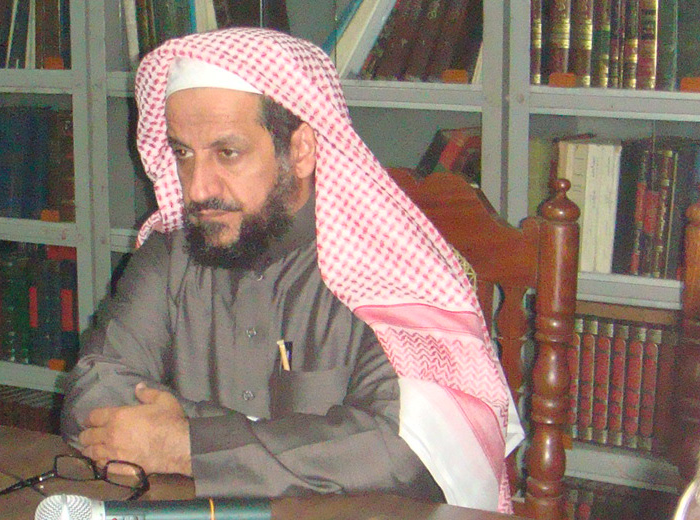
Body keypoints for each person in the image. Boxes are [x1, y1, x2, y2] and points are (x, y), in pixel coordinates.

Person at [60, 28, 523, 513]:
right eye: (183, 153)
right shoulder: (171, 253)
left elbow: (403, 451)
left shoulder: (387, 272)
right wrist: (289, 447)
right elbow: (92, 392)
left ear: (301, 150)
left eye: (227, 153)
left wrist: (187, 443)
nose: (197, 189)